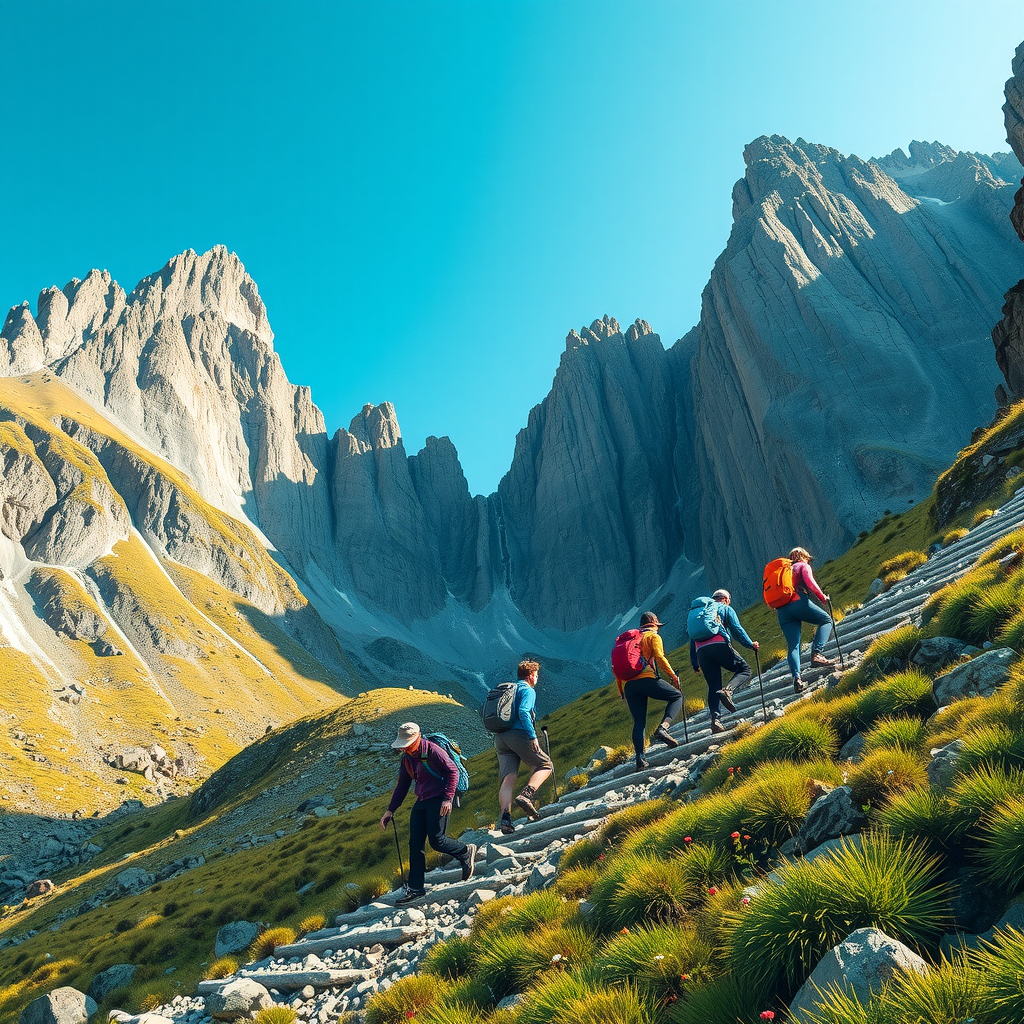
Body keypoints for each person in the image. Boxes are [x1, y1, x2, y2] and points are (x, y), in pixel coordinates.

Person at [380, 722, 477, 905]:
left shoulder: (433, 751)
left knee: (437, 840)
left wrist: (448, 799)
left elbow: (452, 771)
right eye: (403, 745)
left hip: (440, 798)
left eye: (407, 744)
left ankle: (465, 851)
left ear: (418, 738)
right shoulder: (407, 759)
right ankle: (416, 889)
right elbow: (402, 785)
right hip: (422, 800)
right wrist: (390, 810)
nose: (405, 748)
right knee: (415, 844)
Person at [615, 612, 682, 772]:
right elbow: (659, 657)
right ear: (655, 625)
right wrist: (673, 676)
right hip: (646, 679)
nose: (658, 630)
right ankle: (663, 729)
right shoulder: (653, 637)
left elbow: (616, 668)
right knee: (677, 696)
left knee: (639, 722)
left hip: (629, 686)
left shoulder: (631, 639)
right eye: (658, 627)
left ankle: (640, 759)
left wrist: (621, 690)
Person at [495, 659, 553, 835]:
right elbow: (523, 711)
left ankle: (505, 820)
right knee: (546, 765)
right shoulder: (527, 690)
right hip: (519, 734)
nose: (536, 679)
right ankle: (526, 795)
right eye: (536, 676)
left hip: (500, 738)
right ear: (530, 676)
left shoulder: (509, 690)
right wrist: (532, 736)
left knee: (509, 778)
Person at [689, 589, 759, 734]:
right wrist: (750, 644)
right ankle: (728, 691)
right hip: (719, 644)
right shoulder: (725, 608)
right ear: (726, 599)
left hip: (701, 650)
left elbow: (692, 638)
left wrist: (695, 663)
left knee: (713, 685)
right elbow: (737, 630)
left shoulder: (701, 612)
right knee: (745, 670)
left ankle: (715, 721)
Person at [777, 547, 835, 693]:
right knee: (826, 620)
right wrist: (823, 598)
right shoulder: (802, 565)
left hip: (782, 610)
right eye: (808, 558)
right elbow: (810, 583)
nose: (809, 560)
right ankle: (817, 654)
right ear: (803, 556)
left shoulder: (783, 571)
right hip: (798, 601)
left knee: (794, 646)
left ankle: (797, 678)